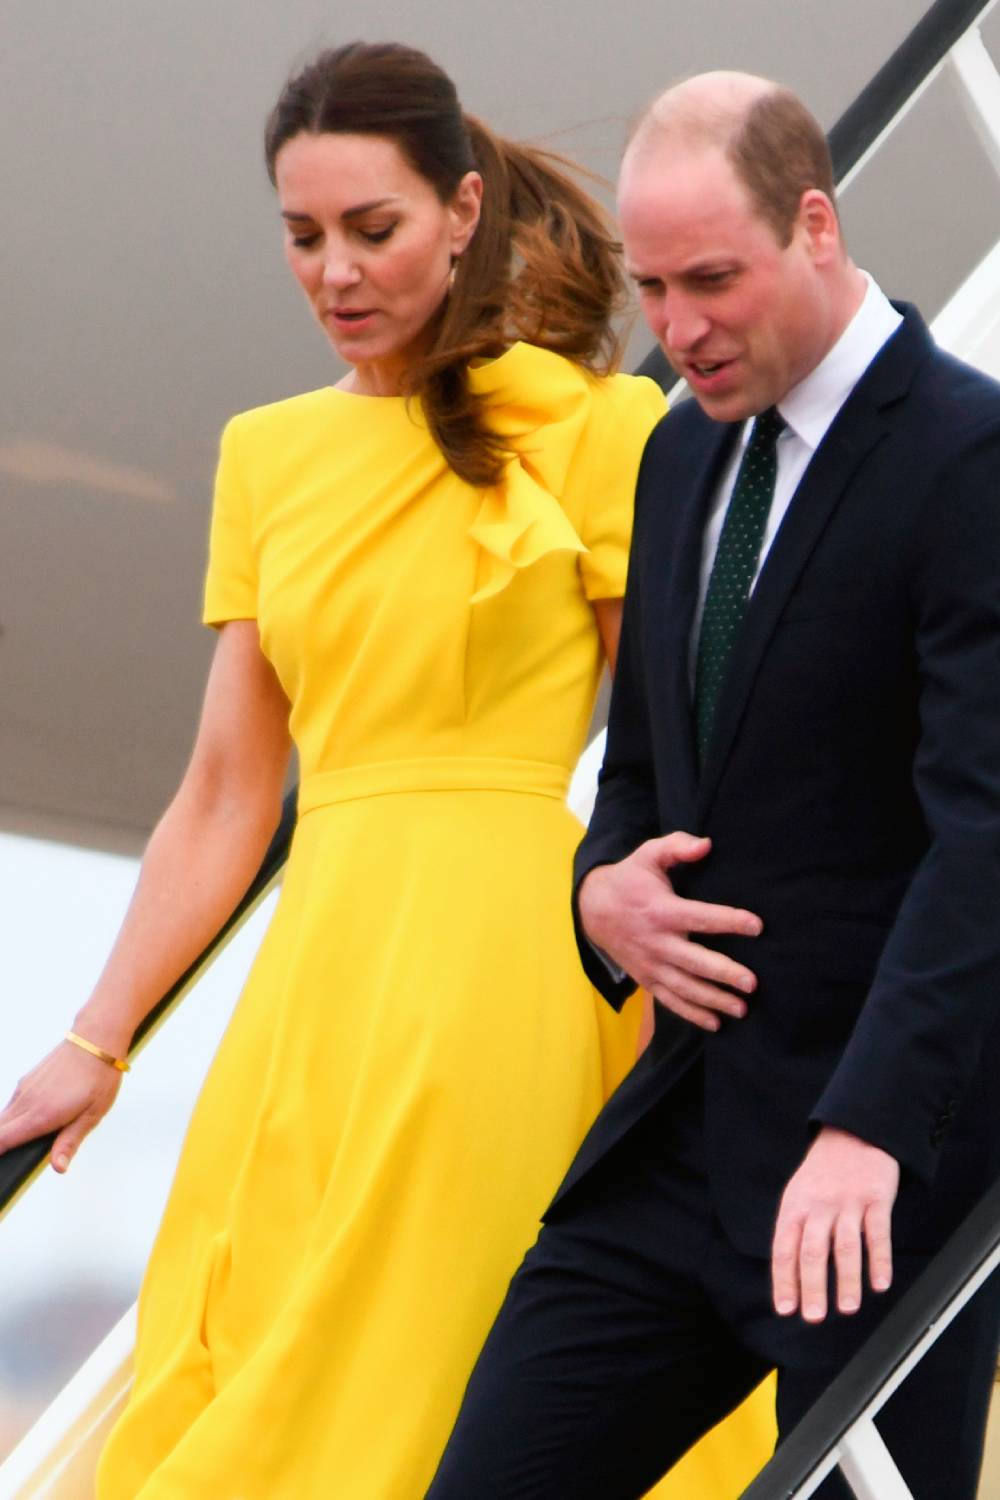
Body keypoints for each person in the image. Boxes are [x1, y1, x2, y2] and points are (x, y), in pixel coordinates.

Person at [0, 44, 776, 1498]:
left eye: (375, 229)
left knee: (432, 1367)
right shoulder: (267, 456)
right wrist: (92, 1045)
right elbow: (226, 796)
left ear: (464, 211)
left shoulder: (602, 430)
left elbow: (682, 748)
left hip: (506, 966)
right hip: (317, 982)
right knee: (257, 1355)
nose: (335, 272)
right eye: (304, 236)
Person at [426, 70, 1000, 1500]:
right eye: (653, 284)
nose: (676, 328)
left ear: (816, 226)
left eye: (712, 281)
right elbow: (642, 770)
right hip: (681, 1144)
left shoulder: (970, 458)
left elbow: (985, 835)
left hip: (880, 1174)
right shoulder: (677, 450)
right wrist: (599, 890)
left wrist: (873, 1127)